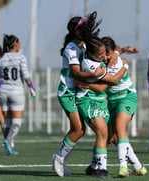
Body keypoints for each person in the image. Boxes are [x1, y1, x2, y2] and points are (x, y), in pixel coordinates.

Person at [83, 37, 147, 177]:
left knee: (119, 127)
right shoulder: (105, 61)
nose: (105, 57)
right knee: (111, 138)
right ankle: (137, 166)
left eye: (107, 54)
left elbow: (104, 87)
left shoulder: (114, 65)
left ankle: (123, 167)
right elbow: (116, 48)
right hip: (112, 101)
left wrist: (124, 64)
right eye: (103, 54)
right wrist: (121, 51)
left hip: (127, 97)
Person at [52, 11, 105, 177]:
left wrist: (120, 50)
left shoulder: (84, 45)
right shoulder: (72, 48)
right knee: (78, 129)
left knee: (81, 130)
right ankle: (59, 158)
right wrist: (95, 74)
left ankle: (64, 159)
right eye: (83, 27)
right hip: (67, 92)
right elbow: (77, 73)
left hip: (78, 91)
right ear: (76, 31)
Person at [76, 36, 128, 179]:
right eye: (100, 54)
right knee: (102, 131)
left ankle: (93, 166)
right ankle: (102, 169)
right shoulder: (93, 66)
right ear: (91, 54)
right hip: (87, 99)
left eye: (105, 52)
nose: (104, 56)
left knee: (109, 136)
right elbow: (109, 83)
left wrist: (120, 51)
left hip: (99, 101)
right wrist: (125, 66)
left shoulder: (96, 55)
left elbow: (114, 50)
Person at [0, 34, 36, 155]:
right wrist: (31, 87)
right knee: (17, 121)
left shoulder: (0, 59)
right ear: (15, 45)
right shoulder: (21, 57)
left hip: (2, 92)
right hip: (17, 92)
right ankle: (9, 140)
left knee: (6, 122)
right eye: (19, 43)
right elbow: (26, 75)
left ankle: (9, 147)